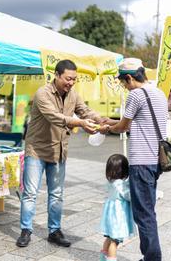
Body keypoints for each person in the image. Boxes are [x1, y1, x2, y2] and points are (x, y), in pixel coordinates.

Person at [17, 59, 111, 248]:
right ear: (57, 75)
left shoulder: (73, 94)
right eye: (68, 79)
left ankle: (54, 231)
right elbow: (55, 117)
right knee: (30, 193)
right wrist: (81, 123)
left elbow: (84, 111)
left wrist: (100, 119)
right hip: (37, 149)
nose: (71, 83)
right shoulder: (42, 94)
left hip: (59, 151)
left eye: (74, 79)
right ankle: (26, 230)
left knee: (57, 194)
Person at [98, 58, 167, 261]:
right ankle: (151, 256)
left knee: (143, 214)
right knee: (147, 210)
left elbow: (123, 127)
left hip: (141, 162)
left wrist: (107, 127)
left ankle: (152, 258)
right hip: (155, 160)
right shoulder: (159, 93)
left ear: (129, 77)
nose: (124, 87)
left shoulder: (136, 95)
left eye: (123, 82)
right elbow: (135, 122)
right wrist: (109, 120)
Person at [99, 154, 136, 261]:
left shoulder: (111, 182)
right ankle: (111, 259)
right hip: (117, 217)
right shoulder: (120, 184)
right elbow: (128, 196)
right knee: (114, 241)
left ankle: (103, 259)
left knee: (109, 238)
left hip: (110, 215)